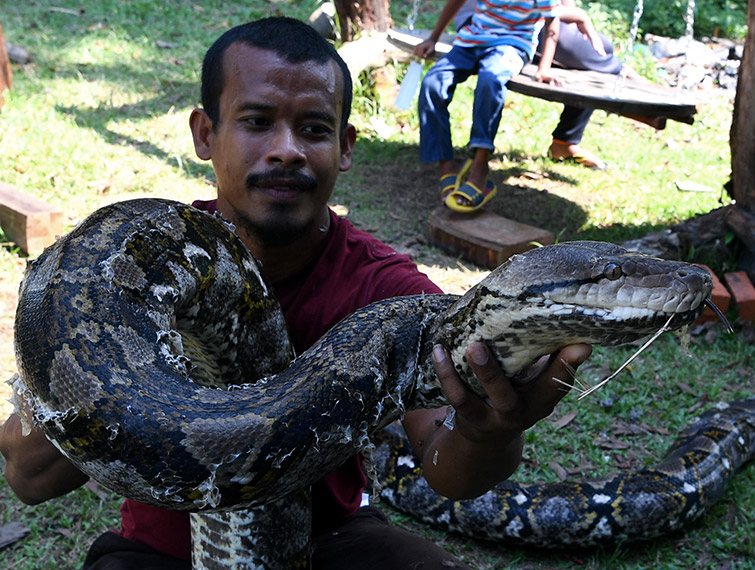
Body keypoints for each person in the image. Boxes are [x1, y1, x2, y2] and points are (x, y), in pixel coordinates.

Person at [0, 17, 591, 569]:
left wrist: (490, 430)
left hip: (327, 533)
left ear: (347, 146)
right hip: (160, 546)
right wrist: (116, 384)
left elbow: (447, 470)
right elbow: (29, 480)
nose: (287, 149)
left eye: (314, 128)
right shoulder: (128, 272)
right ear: (205, 134)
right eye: (257, 121)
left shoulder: (385, 291)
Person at [415, 0, 606, 213]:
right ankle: (446, 165)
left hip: (512, 45)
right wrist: (433, 38)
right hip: (472, 41)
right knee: (432, 83)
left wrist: (544, 68)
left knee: (491, 79)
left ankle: (480, 167)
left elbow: (552, 21)